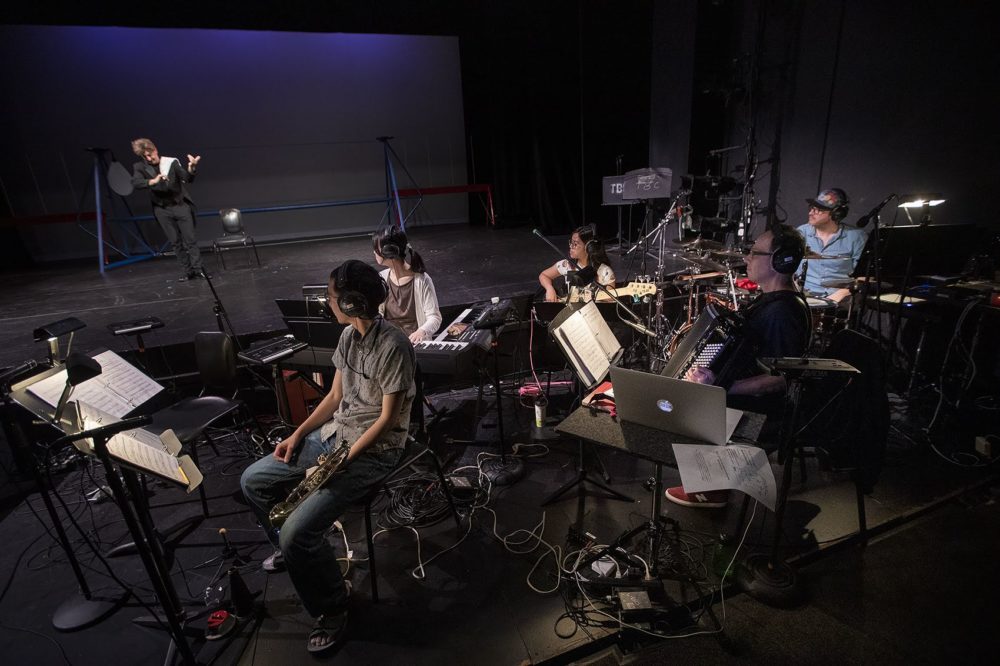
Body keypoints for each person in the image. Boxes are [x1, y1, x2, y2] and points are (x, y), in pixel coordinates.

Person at [240, 259, 414, 653]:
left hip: (374, 451)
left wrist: (341, 460)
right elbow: (335, 398)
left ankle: (332, 606)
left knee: (297, 532)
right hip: (335, 436)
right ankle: (302, 558)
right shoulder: (347, 339)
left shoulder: (395, 346)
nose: (327, 303)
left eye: (332, 297)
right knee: (253, 481)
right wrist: (298, 434)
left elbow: (387, 421)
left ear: (352, 303)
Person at [665, 225, 811, 508]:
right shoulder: (771, 302)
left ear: (780, 261)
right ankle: (709, 481)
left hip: (766, 413)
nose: (746, 258)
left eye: (755, 253)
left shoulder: (782, 312)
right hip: (752, 400)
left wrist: (722, 387)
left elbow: (783, 379)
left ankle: (711, 489)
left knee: (687, 402)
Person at [130, 138, 206, 281]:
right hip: (162, 210)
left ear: (155, 150)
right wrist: (153, 181)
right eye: (144, 156)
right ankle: (188, 272)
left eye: (150, 154)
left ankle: (199, 270)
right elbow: (135, 182)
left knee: (190, 240)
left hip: (180, 206)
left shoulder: (171, 162)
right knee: (175, 242)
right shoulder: (139, 167)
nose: (148, 158)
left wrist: (192, 167)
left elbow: (187, 178)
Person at [795, 188, 867, 305]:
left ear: (835, 213)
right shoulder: (801, 233)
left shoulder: (857, 237)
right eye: (811, 208)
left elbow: (865, 276)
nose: (811, 213)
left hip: (842, 299)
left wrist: (841, 294)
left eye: (818, 210)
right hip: (806, 297)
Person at [372, 226, 442, 344]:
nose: (374, 252)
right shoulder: (381, 279)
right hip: (389, 344)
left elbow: (434, 317)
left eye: (376, 248)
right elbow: (376, 314)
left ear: (389, 251)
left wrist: (422, 331)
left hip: (414, 344)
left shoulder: (422, 280)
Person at [539, 225, 616, 302]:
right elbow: (544, 275)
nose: (571, 246)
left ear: (588, 247)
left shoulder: (605, 272)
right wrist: (549, 288)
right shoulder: (567, 265)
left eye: (575, 244)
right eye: (571, 242)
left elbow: (609, 304)